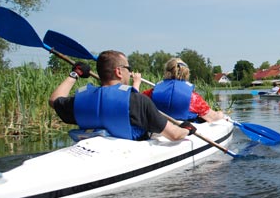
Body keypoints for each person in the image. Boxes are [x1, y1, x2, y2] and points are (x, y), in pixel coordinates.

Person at [49, 50, 195, 141]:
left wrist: (74, 74)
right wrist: (186, 129)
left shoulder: (81, 100)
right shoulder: (138, 101)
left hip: (91, 150)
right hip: (128, 155)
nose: (130, 72)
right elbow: (174, 135)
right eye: (128, 68)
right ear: (119, 72)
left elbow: (54, 100)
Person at [141, 57, 229, 122]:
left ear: (166, 72)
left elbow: (136, 102)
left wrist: (136, 84)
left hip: (158, 132)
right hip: (184, 132)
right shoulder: (193, 98)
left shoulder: (151, 93)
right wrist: (220, 114)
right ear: (186, 73)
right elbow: (212, 117)